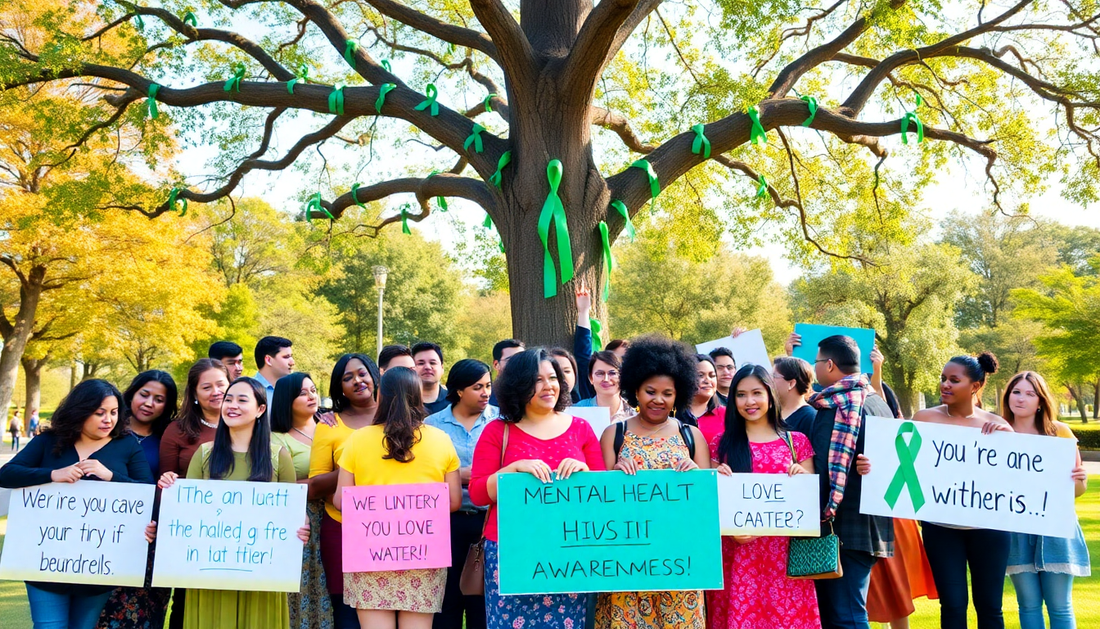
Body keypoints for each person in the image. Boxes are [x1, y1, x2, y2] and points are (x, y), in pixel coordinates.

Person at [0, 379, 154, 629]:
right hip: (45, 563)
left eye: (114, 412)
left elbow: (147, 492)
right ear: (80, 411)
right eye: (99, 413)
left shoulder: (126, 445)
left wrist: (111, 476)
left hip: (99, 567)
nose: (109, 420)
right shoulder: (49, 441)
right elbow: (6, 474)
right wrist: (52, 475)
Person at [155, 377, 307, 629]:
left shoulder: (278, 457)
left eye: (242, 400)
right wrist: (171, 488)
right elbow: (186, 515)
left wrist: (301, 527)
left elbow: (291, 515)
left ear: (260, 410)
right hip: (210, 572)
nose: (231, 405)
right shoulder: (204, 454)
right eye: (228, 399)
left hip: (263, 575)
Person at [469, 348, 605, 629]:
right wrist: (513, 470)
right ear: (519, 385)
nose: (549, 386)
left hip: (567, 552)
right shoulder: (498, 431)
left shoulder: (581, 429)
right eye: (538, 380)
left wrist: (585, 474)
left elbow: (602, 494)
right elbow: (479, 493)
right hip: (511, 551)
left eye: (553, 377)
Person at [596, 335, 710, 629]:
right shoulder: (614, 434)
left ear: (678, 395)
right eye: (650, 391)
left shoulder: (691, 436)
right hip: (628, 562)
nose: (659, 399)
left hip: (679, 561)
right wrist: (614, 476)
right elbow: (598, 502)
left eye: (667, 393)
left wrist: (697, 477)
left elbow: (709, 502)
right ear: (635, 390)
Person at [334, 367, 462, 629]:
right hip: (423, 554)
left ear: (381, 396)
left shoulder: (358, 440)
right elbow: (453, 502)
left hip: (371, 553)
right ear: (418, 396)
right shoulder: (441, 440)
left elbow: (340, 501)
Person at [708, 364, 819, 629]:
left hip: (785, 555)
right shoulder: (720, 444)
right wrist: (715, 480)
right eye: (741, 394)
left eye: (756, 393)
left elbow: (809, 505)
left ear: (770, 395)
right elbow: (710, 507)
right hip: (738, 554)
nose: (750, 401)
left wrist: (802, 480)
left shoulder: (797, 442)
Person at [910, 352, 1011, 629]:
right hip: (941, 529)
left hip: (991, 530)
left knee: (990, 607)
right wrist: (871, 466)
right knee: (953, 605)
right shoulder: (924, 419)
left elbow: (1013, 478)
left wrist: (1009, 442)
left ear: (975, 386)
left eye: (954, 380)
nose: (945, 385)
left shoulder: (997, 426)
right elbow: (902, 464)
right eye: (943, 379)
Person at [804, 335, 894, 629]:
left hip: (841, 526)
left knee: (845, 615)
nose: (815, 369)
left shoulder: (837, 407)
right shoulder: (877, 402)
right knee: (844, 612)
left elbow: (821, 468)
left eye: (817, 362)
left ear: (829, 364)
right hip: (870, 525)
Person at [1002, 371, 1089, 629]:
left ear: (1040, 401)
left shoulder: (1059, 432)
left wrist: (1080, 479)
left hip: (1056, 530)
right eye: (1016, 392)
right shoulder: (997, 433)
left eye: (1030, 394)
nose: (1021, 399)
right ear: (1007, 396)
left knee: (1060, 606)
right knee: (1027, 605)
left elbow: (1076, 490)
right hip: (1016, 529)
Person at [97, 371, 178, 629]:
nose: (149, 403)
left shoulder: (168, 437)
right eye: (144, 394)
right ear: (131, 393)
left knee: (146, 614)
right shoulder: (106, 430)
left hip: (150, 537)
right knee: (101, 611)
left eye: (159, 399)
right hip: (102, 533)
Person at [425, 359, 499, 629]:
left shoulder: (502, 422)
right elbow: (427, 474)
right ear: (458, 390)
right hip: (446, 521)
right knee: (448, 599)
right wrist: (462, 476)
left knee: (484, 597)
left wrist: (463, 475)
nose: (485, 392)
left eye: (488, 385)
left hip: (489, 520)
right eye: (477, 387)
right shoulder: (431, 425)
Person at [309, 353, 381, 629]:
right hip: (341, 529)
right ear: (340, 388)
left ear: (374, 375)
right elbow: (315, 485)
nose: (357, 381)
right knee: (347, 612)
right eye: (347, 378)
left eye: (362, 373)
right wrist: (355, 467)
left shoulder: (399, 419)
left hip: (395, 531)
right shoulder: (329, 426)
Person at [158, 358, 228, 629]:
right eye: (206, 387)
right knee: (186, 602)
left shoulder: (250, 425)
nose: (216, 391)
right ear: (195, 394)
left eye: (221, 384)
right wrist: (166, 481)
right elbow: (165, 481)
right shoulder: (177, 430)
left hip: (240, 533)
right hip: (192, 532)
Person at [272, 373, 335, 629]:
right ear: (287, 400)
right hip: (300, 520)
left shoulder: (332, 424)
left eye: (312, 390)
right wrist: (330, 481)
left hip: (336, 515)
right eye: (302, 393)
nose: (311, 396)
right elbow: (276, 485)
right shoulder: (277, 437)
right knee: (302, 584)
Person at [574, 350, 636, 423]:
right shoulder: (577, 412)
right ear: (591, 378)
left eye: (612, 373)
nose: (606, 379)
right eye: (600, 373)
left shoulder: (635, 416)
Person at [681, 353, 726, 445]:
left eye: (712, 375)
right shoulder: (672, 414)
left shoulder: (727, 414)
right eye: (700, 375)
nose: (707, 380)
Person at [773, 356, 815, 430]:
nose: (769, 380)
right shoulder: (772, 412)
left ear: (791, 384)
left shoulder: (810, 418)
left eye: (774, 376)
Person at [254, 336, 295, 402]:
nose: (292, 362)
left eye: (291, 356)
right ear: (268, 360)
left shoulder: (292, 390)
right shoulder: (247, 390)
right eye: (286, 357)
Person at [413, 342, 449, 415]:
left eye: (432, 363)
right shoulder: (401, 403)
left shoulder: (454, 403)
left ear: (442, 368)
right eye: (421, 363)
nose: (427, 367)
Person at [486, 339, 524, 407]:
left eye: (522, 359)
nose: (518, 363)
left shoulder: (534, 394)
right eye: (511, 360)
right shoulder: (486, 399)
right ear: (496, 364)